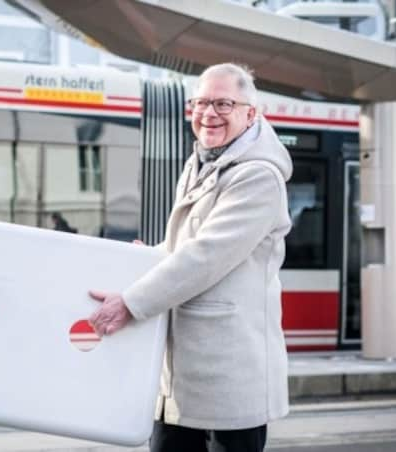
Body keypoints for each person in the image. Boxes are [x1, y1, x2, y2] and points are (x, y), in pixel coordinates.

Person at [88, 63, 291, 452]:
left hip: (228, 374)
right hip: (181, 374)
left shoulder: (258, 176)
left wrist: (131, 302)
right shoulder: (198, 162)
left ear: (251, 114)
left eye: (223, 103)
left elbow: (208, 255)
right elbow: (186, 247)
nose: (208, 113)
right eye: (200, 103)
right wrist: (149, 259)